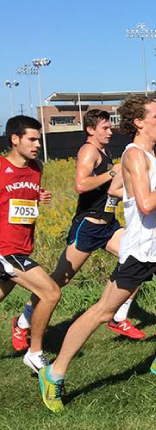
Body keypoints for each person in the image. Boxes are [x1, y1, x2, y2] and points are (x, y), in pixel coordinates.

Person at [39, 95, 156, 413]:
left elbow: (122, 193)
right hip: (140, 250)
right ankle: (54, 373)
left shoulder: (148, 155)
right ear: (138, 122)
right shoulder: (134, 155)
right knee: (102, 313)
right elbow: (145, 205)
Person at [14, 109, 145, 349]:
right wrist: (113, 172)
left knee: (137, 259)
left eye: (110, 127)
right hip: (88, 226)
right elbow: (81, 185)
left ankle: (118, 317)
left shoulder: (104, 151)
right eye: (105, 128)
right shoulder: (88, 151)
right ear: (91, 129)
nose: (110, 131)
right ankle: (22, 323)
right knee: (59, 279)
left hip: (108, 225)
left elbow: (109, 188)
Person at [0, 116, 57, 373]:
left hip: (22, 246)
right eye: (32, 139)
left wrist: (38, 197)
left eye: (38, 140)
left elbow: (23, 200)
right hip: (5, 250)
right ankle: (35, 353)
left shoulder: (36, 167)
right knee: (51, 292)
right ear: (15, 139)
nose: (37, 145)